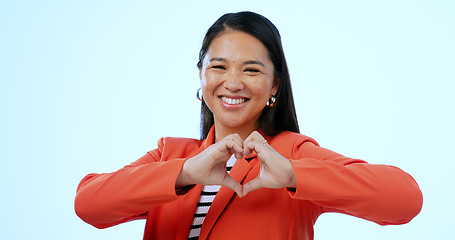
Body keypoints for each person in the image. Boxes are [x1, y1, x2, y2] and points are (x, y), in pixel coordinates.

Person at [75, 11, 423, 240]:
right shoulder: (172, 155)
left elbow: (405, 199)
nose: (233, 82)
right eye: (219, 67)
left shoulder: (291, 155)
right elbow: (88, 205)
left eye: (252, 69)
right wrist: (183, 173)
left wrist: (293, 176)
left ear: (275, 85)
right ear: (201, 74)